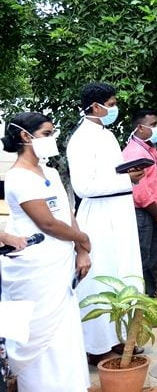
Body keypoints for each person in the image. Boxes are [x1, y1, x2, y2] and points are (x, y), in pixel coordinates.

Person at [1, 112, 92, 391]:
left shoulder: (50, 172)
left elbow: (67, 214)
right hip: (33, 265)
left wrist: (80, 250)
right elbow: (48, 223)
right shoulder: (17, 178)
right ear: (25, 137)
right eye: (46, 134)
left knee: (65, 333)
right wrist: (84, 238)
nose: (52, 139)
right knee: (38, 337)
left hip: (60, 262)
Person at [67, 82, 144, 363]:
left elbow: (110, 173)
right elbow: (84, 185)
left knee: (122, 273)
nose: (114, 108)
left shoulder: (107, 135)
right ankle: (96, 346)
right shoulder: (81, 139)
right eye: (111, 104)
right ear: (96, 106)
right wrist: (127, 179)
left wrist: (128, 173)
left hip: (119, 213)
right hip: (98, 217)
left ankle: (120, 338)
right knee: (101, 280)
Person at [122, 109, 157, 297]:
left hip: (155, 210)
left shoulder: (150, 149)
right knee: (143, 257)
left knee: (153, 257)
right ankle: (143, 301)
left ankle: (150, 298)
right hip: (144, 213)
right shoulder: (134, 152)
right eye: (153, 125)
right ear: (140, 128)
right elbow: (139, 191)